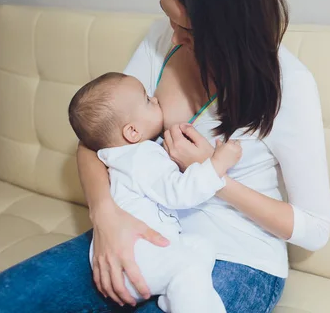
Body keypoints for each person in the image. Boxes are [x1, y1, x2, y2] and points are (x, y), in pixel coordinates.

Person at [0, 0, 330, 313]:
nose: (171, 36)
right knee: (10, 297)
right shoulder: (161, 42)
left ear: (226, 29)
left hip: (237, 256)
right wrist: (105, 217)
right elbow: (97, 143)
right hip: (142, 232)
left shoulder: (290, 86)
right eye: (167, 16)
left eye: (185, 27)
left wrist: (212, 174)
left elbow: (314, 228)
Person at [68, 72, 243, 313]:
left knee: (201, 246)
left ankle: (173, 296)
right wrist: (218, 164)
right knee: (190, 266)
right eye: (148, 100)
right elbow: (180, 193)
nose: (157, 100)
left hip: (128, 258)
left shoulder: (117, 158)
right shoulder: (141, 157)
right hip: (137, 260)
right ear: (132, 132)